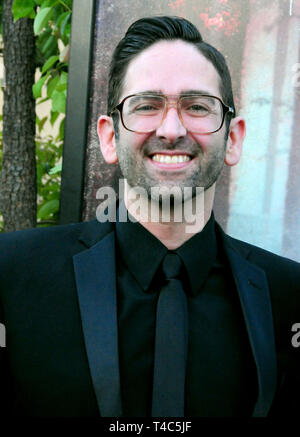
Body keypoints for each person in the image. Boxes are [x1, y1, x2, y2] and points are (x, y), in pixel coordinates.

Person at [0, 15, 299, 418]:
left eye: (197, 106)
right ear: (109, 136)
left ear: (233, 138)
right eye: (146, 105)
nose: (172, 129)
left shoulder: (291, 296)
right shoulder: (11, 275)